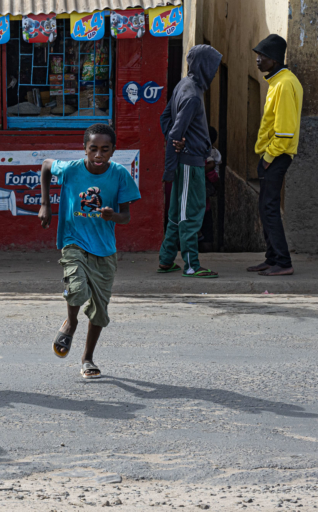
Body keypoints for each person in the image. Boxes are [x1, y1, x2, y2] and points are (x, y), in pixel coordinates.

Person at [38, 124, 141, 379]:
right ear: (84, 148)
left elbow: (126, 216)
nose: (98, 155)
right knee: (76, 289)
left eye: (105, 149)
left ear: (113, 151)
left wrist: (112, 215)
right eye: (93, 148)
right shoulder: (71, 169)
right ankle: (71, 323)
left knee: (99, 311)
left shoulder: (119, 175)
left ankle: (87, 358)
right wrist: (45, 204)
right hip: (73, 240)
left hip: (104, 249)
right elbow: (46, 166)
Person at [157, 44, 222, 278]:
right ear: (204, 66)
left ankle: (166, 260)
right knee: (190, 214)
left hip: (187, 161)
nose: (214, 72)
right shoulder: (193, 95)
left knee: (177, 213)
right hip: (189, 165)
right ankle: (191, 265)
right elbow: (175, 130)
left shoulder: (183, 85)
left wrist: (177, 139)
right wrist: (177, 146)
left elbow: (165, 118)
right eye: (213, 67)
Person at [247, 34, 303, 276]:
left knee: (269, 209)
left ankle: (283, 261)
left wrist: (268, 158)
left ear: (275, 59)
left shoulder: (285, 84)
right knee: (265, 208)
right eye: (258, 55)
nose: (258, 60)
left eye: (263, 56)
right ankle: (272, 258)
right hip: (271, 156)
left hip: (277, 157)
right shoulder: (277, 81)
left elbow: (285, 130)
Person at [199, 127, 222, 252]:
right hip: (206, 191)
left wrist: (197, 173)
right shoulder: (214, 151)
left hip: (203, 188)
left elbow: (211, 167)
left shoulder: (206, 151)